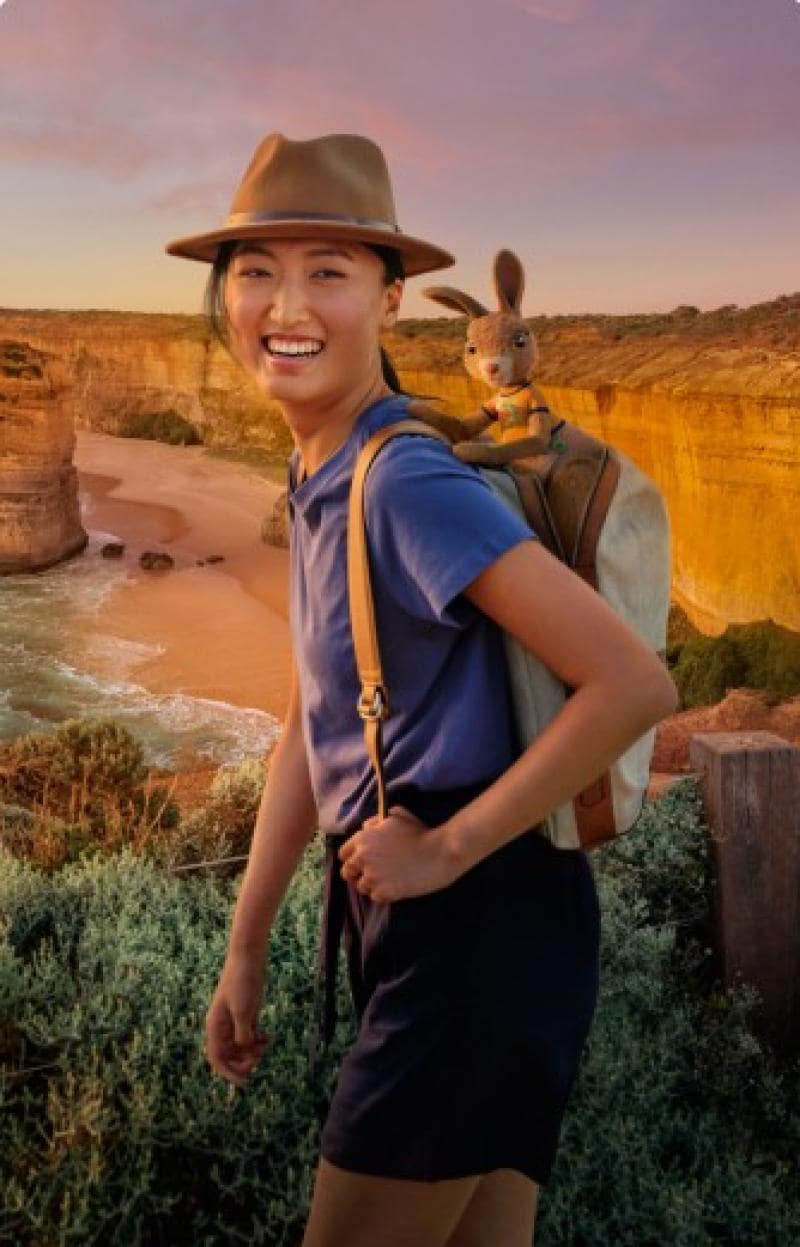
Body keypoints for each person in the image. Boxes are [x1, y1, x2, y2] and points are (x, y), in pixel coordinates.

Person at [165, 132, 678, 1247]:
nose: (284, 302)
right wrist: (245, 943)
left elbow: (631, 681)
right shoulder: (317, 471)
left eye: (328, 272)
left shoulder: (401, 479)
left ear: (390, 301)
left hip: (472, 917)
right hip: (463, 921)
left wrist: (445, 851)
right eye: (256, 269)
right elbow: (313, 725)